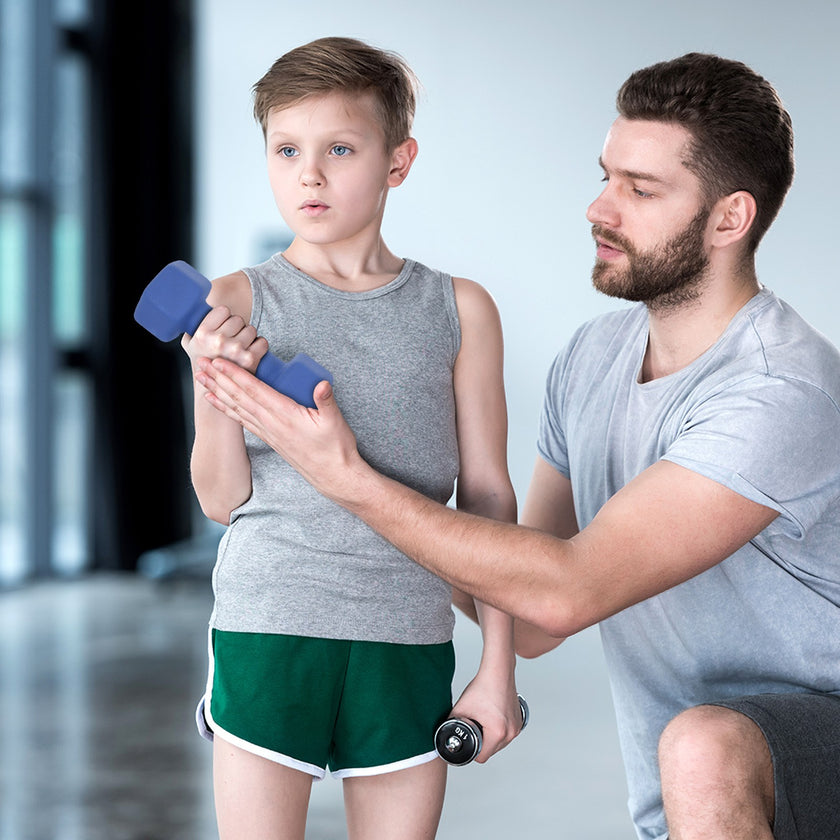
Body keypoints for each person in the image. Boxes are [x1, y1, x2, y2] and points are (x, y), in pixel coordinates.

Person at [195, 52, 840, 840]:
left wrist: (349, 477)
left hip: (793, 742)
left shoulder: (779, 391)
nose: (598, 207)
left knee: (703, 748)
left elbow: (562, 590)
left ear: (729, 219)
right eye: (605, 176)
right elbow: (529, 607)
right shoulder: (593, 359)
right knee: (698, 749)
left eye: (640, 190)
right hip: (688, 783)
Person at [183, 37, 523, 840]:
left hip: (406, 637)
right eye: (287, 150)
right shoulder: (233, 303)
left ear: (398, 161)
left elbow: (487, 499)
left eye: (339, 149)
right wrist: (213, 384)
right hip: (270, 626)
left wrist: (497, 667)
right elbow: (221, 501)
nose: (309, 174)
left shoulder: (460, 309)